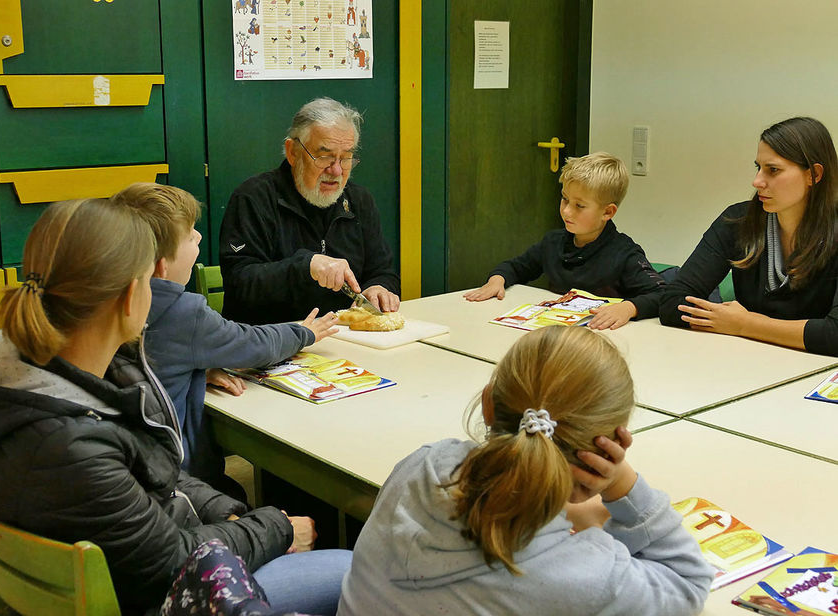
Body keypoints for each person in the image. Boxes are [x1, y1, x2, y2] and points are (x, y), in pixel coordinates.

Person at [0, 198, 351, 616]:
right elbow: (169, 563)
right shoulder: (72, 445)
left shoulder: (16, 360)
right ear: (129, 297)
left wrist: (231, 515)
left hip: (132, 553)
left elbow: (154, 472)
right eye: (148, 282)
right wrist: (275, 528)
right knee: (355, 568)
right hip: (150, 595)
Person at [338, 326, 713, 616]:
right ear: (605, 450)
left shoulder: (422, 464)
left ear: (488, 404)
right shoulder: (591, 578)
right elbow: (688, 583)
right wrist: (622, 486)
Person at [112, 182, 338, 494]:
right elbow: (252, 344)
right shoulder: (182, 312)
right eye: (190, 234)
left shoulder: (110, 300)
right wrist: (304, 332)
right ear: (163, 266)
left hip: (133, 470)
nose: (199, 237)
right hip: (180, 476)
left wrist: (197, 369)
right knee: (235, 496)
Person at [659, 117, 838, 355]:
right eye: (758, 168)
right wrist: (728, 322)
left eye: (773, 170)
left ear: (813, 174)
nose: (757, 182)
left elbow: (834, 335)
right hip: (746, 362)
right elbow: (672, 303)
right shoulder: (737, 221)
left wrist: (744, 324)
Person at [219, 97, 400, 325]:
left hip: (344, 339)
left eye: (345, 158)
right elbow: (240, 283)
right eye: (324, 156)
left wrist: (380, 287)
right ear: (293, 152)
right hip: (271, 342)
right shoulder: (253, 198)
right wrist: (305, 266)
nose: (335, 170)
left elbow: (382, 270)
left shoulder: (359, 200)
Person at [464, 152, 665, 330]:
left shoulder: (624, 253)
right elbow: (517, 267)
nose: (567, 211)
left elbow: (662, 295)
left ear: (607, 212)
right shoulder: (554, 242)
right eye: (564, 199)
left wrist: (628, 308)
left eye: (579, 205)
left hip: (602, 341)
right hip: (556, 333)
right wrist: (497, 280)